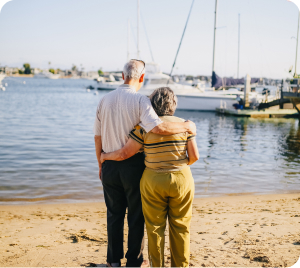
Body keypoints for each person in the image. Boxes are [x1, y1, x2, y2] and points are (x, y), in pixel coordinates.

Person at [94, 60, 197, 267]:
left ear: (123, 76)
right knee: (136, 216)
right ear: (141, 78)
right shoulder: (141, 101)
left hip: (109, 166)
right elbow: (158, 128)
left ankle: (113, 261)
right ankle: (134, 261)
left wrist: (101, 162)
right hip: (133, 167)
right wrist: (187, 127)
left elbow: (97, 137)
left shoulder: (104, 100)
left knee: (113, 214)